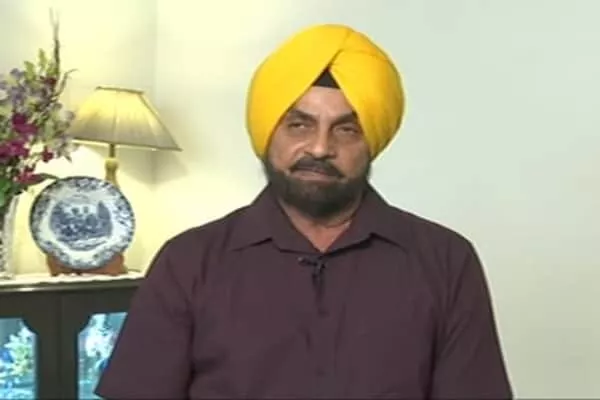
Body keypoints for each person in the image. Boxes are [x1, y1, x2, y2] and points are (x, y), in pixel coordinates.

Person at [95, 24, 513, 399]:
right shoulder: (189, 261)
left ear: (372, 141)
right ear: (268, 133)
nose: (320, 147)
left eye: (346, 129)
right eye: (299, 125)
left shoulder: (444, 260)